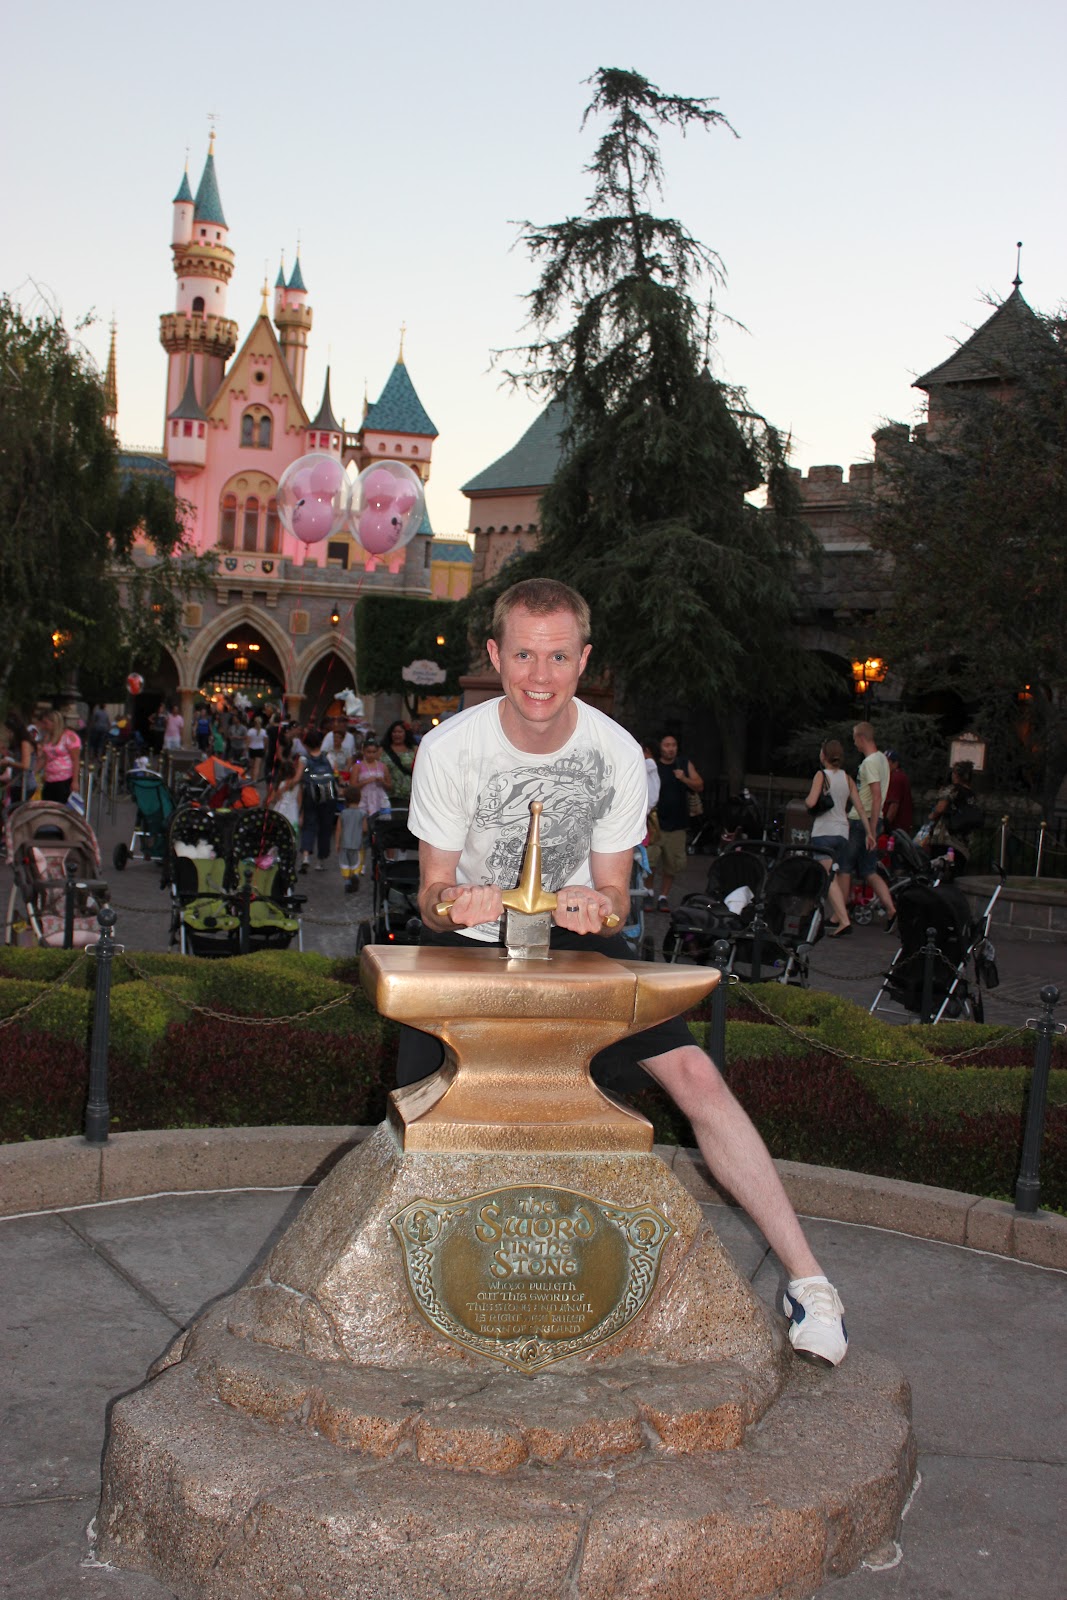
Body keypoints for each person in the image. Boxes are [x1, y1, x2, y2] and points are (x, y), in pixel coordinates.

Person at [401, 577, 848, 1367]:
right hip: (467, 942)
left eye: (559, 656)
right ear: (496, 654)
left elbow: (613, 898)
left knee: (696, 1077)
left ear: (584, 660)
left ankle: (810, 1283)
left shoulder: (612, 752)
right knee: (418, 1115)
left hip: (569, 942)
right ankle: (421, 1296)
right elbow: (431, 896)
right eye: (525, 655)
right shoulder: (450, 749)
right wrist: (451, 897)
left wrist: (594, 910)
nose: (540, 677)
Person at [804, 739, 872, 938]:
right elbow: (859, 808)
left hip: (823, 832)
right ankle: (837, 916)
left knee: (827, 876)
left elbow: (811, 801)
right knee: (836, 872)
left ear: (823, 755)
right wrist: (870, 832)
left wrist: (809, 803)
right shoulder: (848, 778)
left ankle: (843, 919)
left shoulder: (821, 775)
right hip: (843, 832)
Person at [836, 722, 895, 928]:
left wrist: (869, 828)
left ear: (862, 738)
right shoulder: (882, 760)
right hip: (874, 819)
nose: (854, 743)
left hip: (862, 820)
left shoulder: (869, 763)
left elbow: (876, 795)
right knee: (869, 869)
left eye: (854, 738)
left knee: (844, 866)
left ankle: (839, 915)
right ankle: (891, 909)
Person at [646, 733, 703, 911]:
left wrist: (683, 778)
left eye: (674, 745)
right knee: (651, 862)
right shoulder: (653, 765)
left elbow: (699, 785)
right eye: (667, 745)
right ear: (660, 747)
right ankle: (648, 893)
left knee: (672, 864)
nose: (671, 749)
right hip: (656, 824)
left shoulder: (684, 764)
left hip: (677, 824)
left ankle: (663, 896)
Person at [925, 760, 981, 870]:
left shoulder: (952, 789)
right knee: (956, 869)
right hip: (963, 841)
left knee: (939, 868)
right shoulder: (971, 794)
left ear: (955, 774)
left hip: (946, 837)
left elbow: (940, 808)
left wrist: (932, 815)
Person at [299, 730, 336, 873]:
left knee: (309, 825)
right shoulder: (329, 756)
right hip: (327, 795)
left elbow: (298, 777)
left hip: (310, 795)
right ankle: (321, 861)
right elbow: (336, 772)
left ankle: (306, 857)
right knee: (325, 828)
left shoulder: (304, 759)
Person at [36, 710, 81, 804]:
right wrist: (34, 771)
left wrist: (75, 781)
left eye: (46, 723)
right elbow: (44, 757)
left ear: (54, 723)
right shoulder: (48, 737)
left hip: (64, 779)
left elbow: (75, 759)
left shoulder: (69, 736)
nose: (44, 726)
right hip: (49, 778)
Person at [336, 783, 365, 892]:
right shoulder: (362, 813)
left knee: (345, 863)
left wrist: (337, 843)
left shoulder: (343, 813)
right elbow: (365, 828)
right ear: (359, 798)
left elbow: (338, 829)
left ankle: (347, 882)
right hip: (357, 844)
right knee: (356, 863)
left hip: (345, 844)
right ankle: (355, 876)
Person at [383, 720, 416, 805]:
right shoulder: (382, 750)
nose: (397, 734)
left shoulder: (414, 750)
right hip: (387, 795)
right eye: (394, 732)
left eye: (400, 732)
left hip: (409, 794)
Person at [267, 756, 302, 837]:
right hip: (293, 811)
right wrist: (300, 814)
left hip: (281, 810)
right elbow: (299, 801)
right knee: (291, 834)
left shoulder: (280, 784)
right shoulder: (297, 785)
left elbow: (272, 799)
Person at [883, 750, 914, 834]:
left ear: (895, 763)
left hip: (896, 828)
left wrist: (885, 826)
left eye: (886, 761)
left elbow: (894, 804)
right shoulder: (897, 776)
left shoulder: (896, 778)